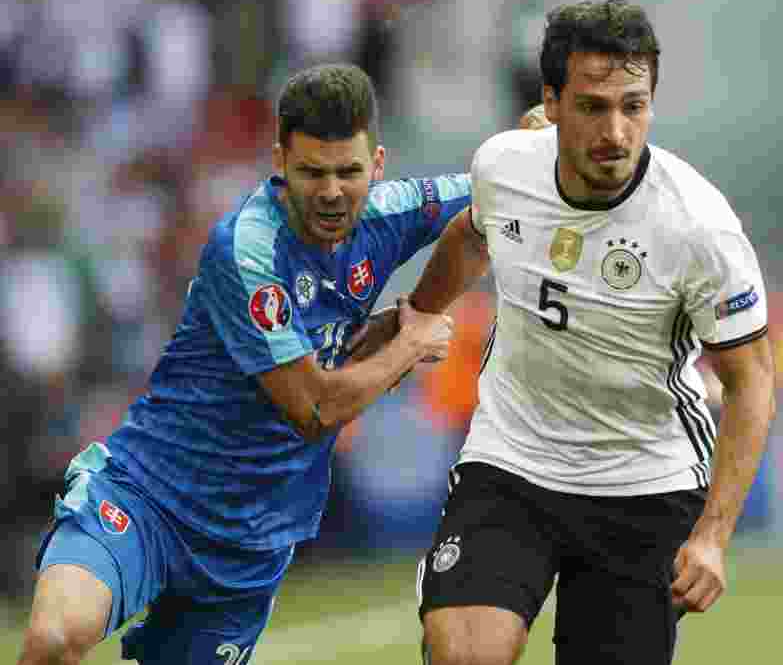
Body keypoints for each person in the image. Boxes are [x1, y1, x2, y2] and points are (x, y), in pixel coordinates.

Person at [17, 63, 466, 665]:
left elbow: (494, 190)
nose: (332, 191)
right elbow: (314, 408)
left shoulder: (393, 211)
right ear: (279, 160)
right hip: (149, 496)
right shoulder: (248, 247)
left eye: (348, 172)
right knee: (54, 637)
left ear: (377, 165)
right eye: (311, 172)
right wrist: (410, 341)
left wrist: (530, 139)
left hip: (248, 545)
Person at [409, 0, 777, 665]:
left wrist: (714, 535)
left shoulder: (699, 228)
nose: (616, 130)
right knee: (462, 653)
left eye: (633, 106)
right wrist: (415, 317)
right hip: (513, 460)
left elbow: (751, 380)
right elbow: (471, 235)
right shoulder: (504, 166)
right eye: (592, 106)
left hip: (644, 481)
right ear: (551, 102)